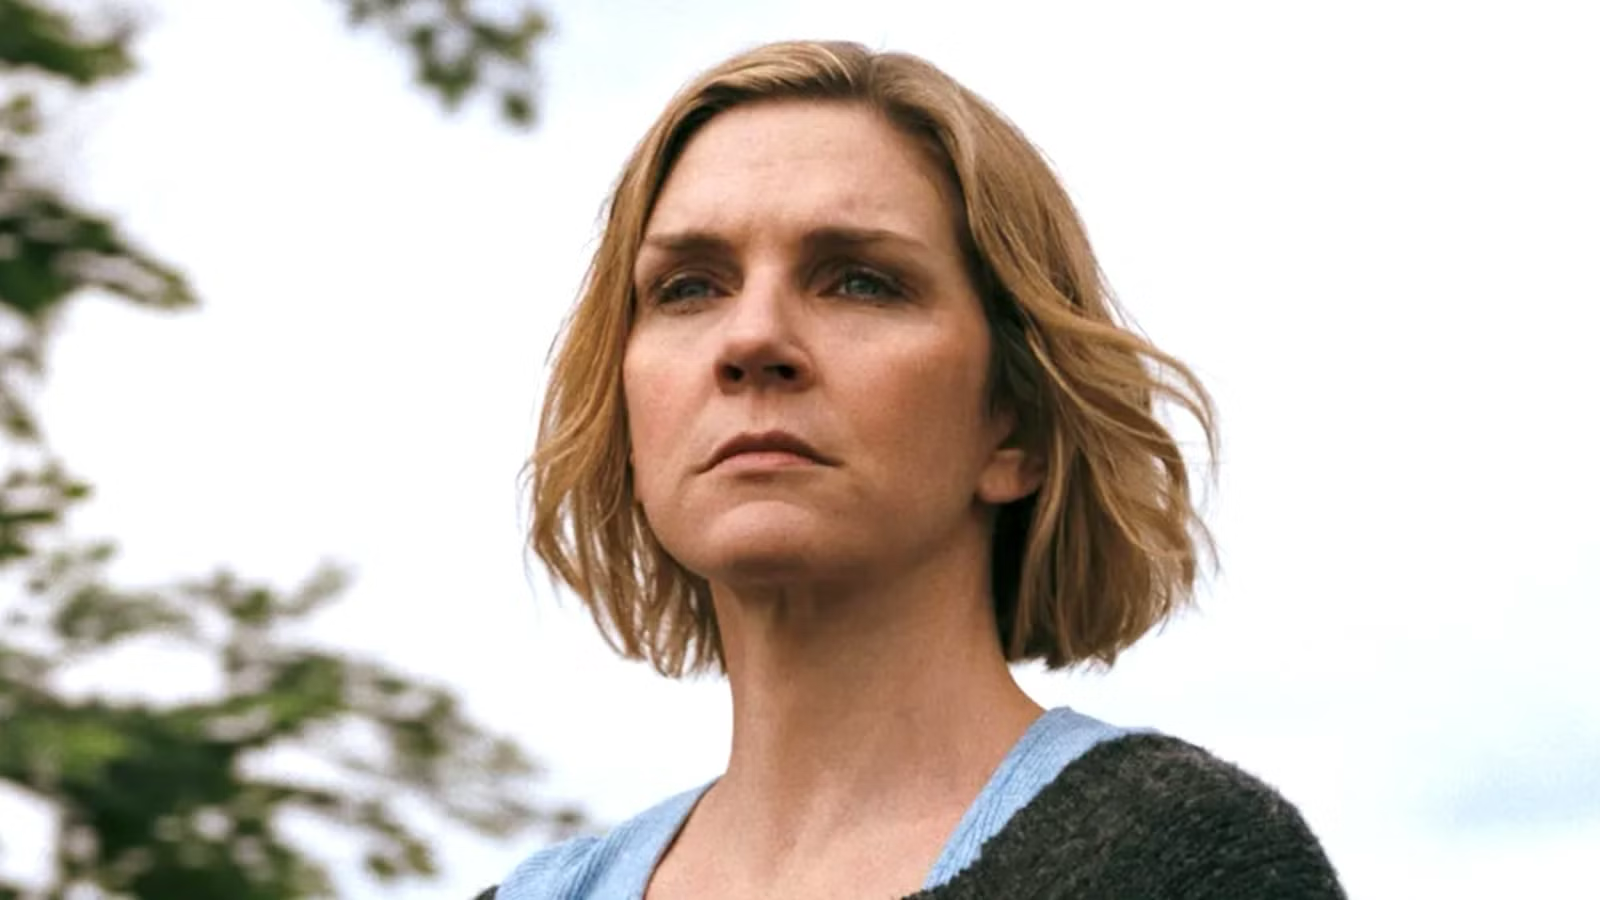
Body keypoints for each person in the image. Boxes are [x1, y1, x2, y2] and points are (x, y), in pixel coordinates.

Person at [482, 39, 1345, 900]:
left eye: (860, 282)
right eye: (688, 288)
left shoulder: (1180, 863)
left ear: (1016, 423)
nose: (752, 338)